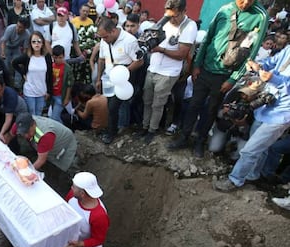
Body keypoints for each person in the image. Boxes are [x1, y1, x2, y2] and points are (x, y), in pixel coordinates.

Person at [168, 0, 268, 158]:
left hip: (224, 76)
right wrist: (197, 64)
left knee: (211, 110)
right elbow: (208, 38)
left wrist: (233, 79)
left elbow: (251, 54)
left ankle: (200, 141)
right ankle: (184, 136)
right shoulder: (225, 10)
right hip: (205, 70)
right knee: (194, 104)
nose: (246, 2)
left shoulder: (260, 16)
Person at [213, 45, 290, 192]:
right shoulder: (288, 49)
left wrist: (274, 79)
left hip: (282, 114)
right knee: (261, 148)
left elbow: (284, 84)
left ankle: (235, 180)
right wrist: (258, 65)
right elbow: (272, 61)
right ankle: (252, 175)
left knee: (250, 150)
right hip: (265, 105)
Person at [138, 0, 197, 144]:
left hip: (169, 72)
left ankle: (152, 130)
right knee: (147, 100)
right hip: (153, 68)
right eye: (169, 15)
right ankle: (144, 127)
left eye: (175, 16)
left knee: (158, 104)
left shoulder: (189, 26)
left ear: (184, 11)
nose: (171, 19)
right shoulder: (164, 20)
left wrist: (160, 49)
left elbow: (182, 54)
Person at [95, 17, 143, 144]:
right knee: (110, 103)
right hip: (109, 77)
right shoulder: (104, 40)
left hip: (124, 78)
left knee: (113, 106)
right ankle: (119, 126)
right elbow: (101, 59)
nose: (103, 40)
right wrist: (99, 78)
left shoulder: (129, 41)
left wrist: (124, 72)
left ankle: (112, 132)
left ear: (113, 31)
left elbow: (139, 61)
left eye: (105, 37)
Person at [4, 112, 77, 172]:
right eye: (23, 133)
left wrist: (26, 172)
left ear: (33, 125)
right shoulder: (20, 124)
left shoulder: (45, 135)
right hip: (47, 142)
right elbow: (10, 135)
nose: (26, 135)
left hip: (64, 145)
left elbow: (41, 160)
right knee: (44, 154)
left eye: (27, 132)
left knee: (58, 168)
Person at [12, 31, 53, 116]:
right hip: (29, 91)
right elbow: (14, 63)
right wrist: (23, 73)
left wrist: (49, 91)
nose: (36, 44)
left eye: (39, 41)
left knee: (39, 114)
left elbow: (50, 75)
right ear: (30, 43)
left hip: (42, 91)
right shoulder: (27, 56)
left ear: (42, 43)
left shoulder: (47, 57)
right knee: (31, 113)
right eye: (34, 41)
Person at [0, 73, 27, 142]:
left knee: (9, 135)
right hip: (3, 110)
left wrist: (2, 133)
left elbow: (9, 119)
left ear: (3, 86)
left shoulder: (10, 95)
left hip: (18, 114)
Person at [51, 45, 74, 124]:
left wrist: (67, 98)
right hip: (52, 94)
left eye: (60, 58)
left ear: (64, 56)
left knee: (54, 118)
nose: (58, 60)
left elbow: (69, 84)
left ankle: (63, 132)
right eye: (56, 58)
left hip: (61, 96)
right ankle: (63, 131)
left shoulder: (67, 68)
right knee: (55, 117)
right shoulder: (51, 65)